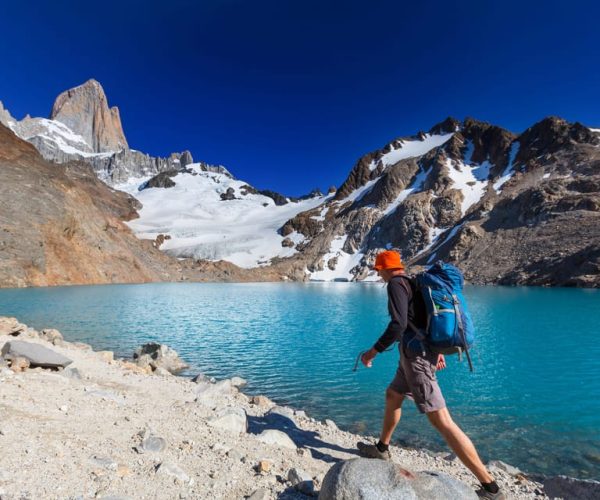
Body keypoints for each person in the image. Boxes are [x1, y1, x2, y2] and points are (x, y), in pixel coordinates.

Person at [357, 250, 504, 500]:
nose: (378, 274)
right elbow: (425, 320)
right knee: (393, 394)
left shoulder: (395, 284)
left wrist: (372, 352)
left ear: (384, 268)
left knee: (442, 421)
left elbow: (398, 324)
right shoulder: (413, 282)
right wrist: (436, 350)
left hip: (415, 359)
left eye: (378, 270)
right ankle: (382, 448)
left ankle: (491, 487)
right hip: (414, 354)